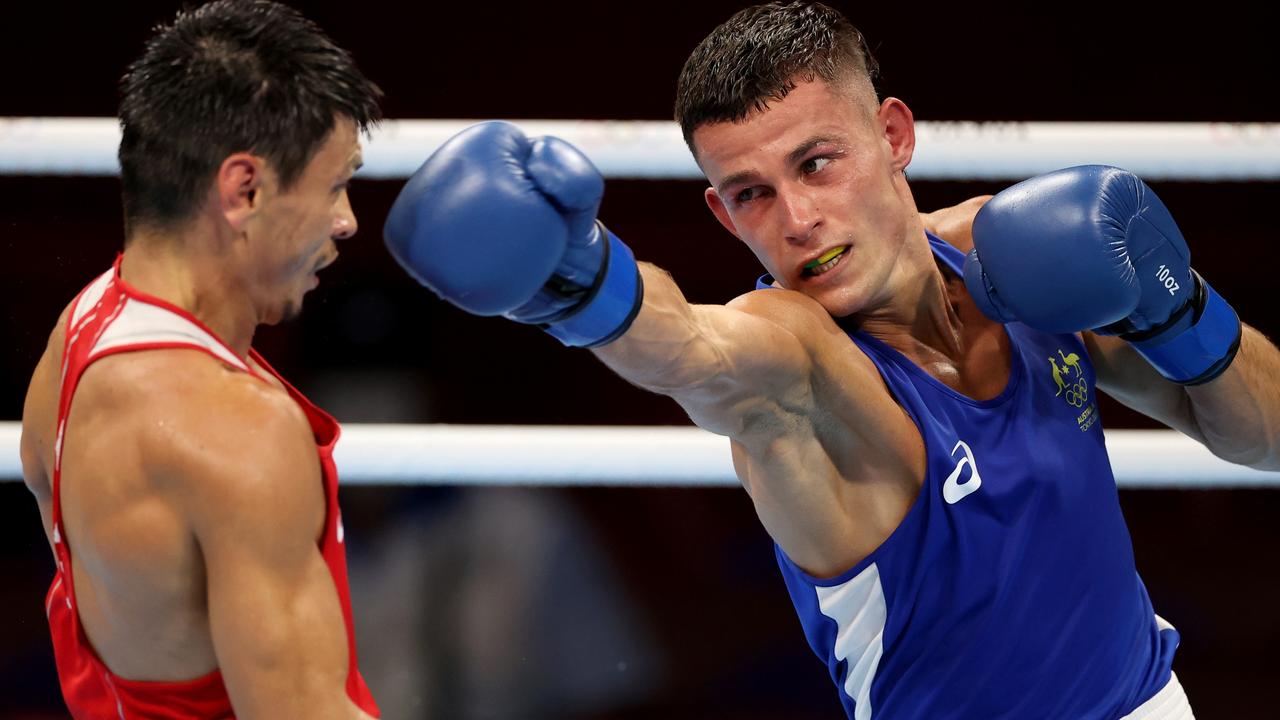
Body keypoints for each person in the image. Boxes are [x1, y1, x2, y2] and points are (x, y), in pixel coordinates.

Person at [383, 2, 1279, 717]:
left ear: (892, 136)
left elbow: (1262, 439)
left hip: (1156, 698)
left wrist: (1185, 311)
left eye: (817, 163)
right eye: (751, 194)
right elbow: (693, 349)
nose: (796, 218)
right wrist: (579, 281)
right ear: (723, 217)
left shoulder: (1019, 260)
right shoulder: (800, 356)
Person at [18, 1, 383, 717]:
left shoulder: (80, 333)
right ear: (244, 189)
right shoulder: (236, 434)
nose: (347, 221)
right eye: (335, 185)